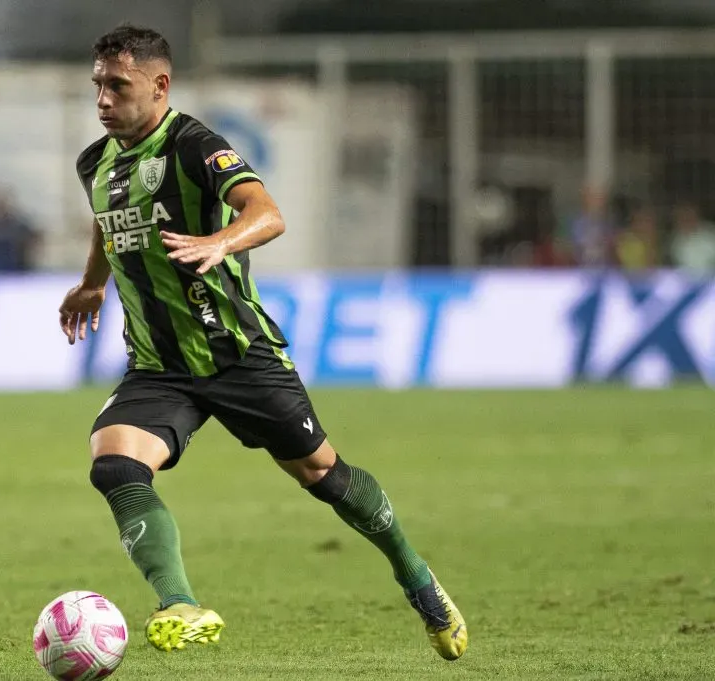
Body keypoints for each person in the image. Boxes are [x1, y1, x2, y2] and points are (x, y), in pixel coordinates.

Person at [58, 24, 468, 661]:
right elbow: (108, 222)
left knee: (324, 476)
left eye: (119, 85)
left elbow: (267, 212)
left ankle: (416, 577)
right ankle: (180, 604)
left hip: (237, 354)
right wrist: (91, 283)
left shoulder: (195, 146)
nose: (104, 100)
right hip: (158, 366)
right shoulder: (95, 162)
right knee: (113, 465)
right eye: (98, 87)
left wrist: (220, 241)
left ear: (159, 85)